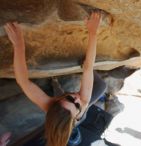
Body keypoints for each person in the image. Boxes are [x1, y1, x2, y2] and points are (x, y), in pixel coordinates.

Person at [4, 12, 104, 146]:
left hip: (59, 110)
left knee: (59, 91)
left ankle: (55, 83)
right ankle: (56, 83)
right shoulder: (83, 102)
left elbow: (23, 81)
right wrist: (93, 32)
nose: (77, 99)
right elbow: (88, 67)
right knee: (102, 87)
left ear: (56, 100)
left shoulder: (49, 104)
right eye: (76, 105)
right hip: (75, 118)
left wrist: (18, 44)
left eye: (70, 99)